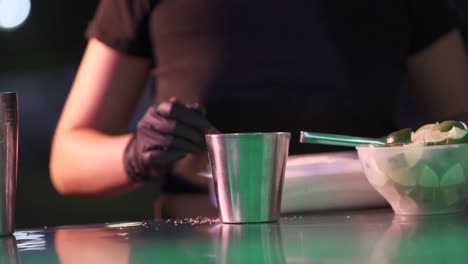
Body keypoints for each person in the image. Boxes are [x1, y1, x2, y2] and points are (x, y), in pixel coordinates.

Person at [49, 0, 468, 218]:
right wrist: (134, 154)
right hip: (201, 246)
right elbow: (68, 159)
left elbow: (459, 119)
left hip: (373, 242)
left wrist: (429, 150)